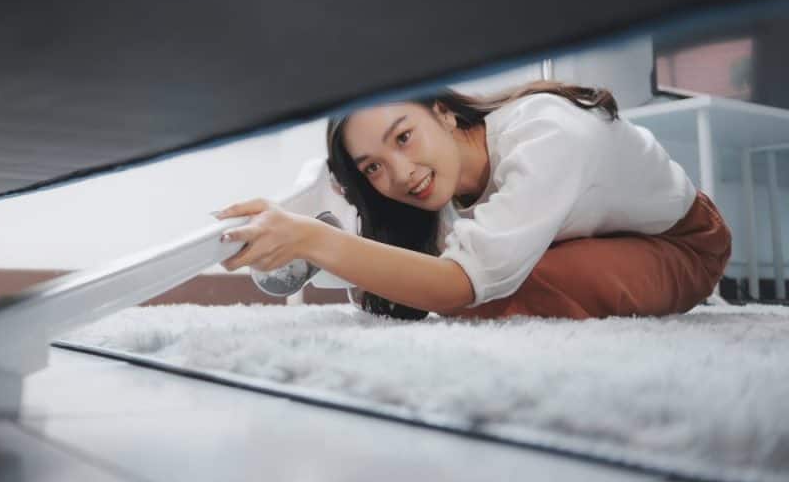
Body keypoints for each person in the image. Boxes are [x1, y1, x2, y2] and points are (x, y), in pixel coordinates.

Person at [214, 80, 732, 320]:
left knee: (491, 295)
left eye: (403, 137)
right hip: (584, 235)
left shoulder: (548, 137)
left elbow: (458, 287)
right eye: (372, 167)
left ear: (443, 112)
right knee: (420, 279)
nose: (401, 173)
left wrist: (313, 238)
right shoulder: (443, 177)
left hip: (677, 244)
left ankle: (333, 245)